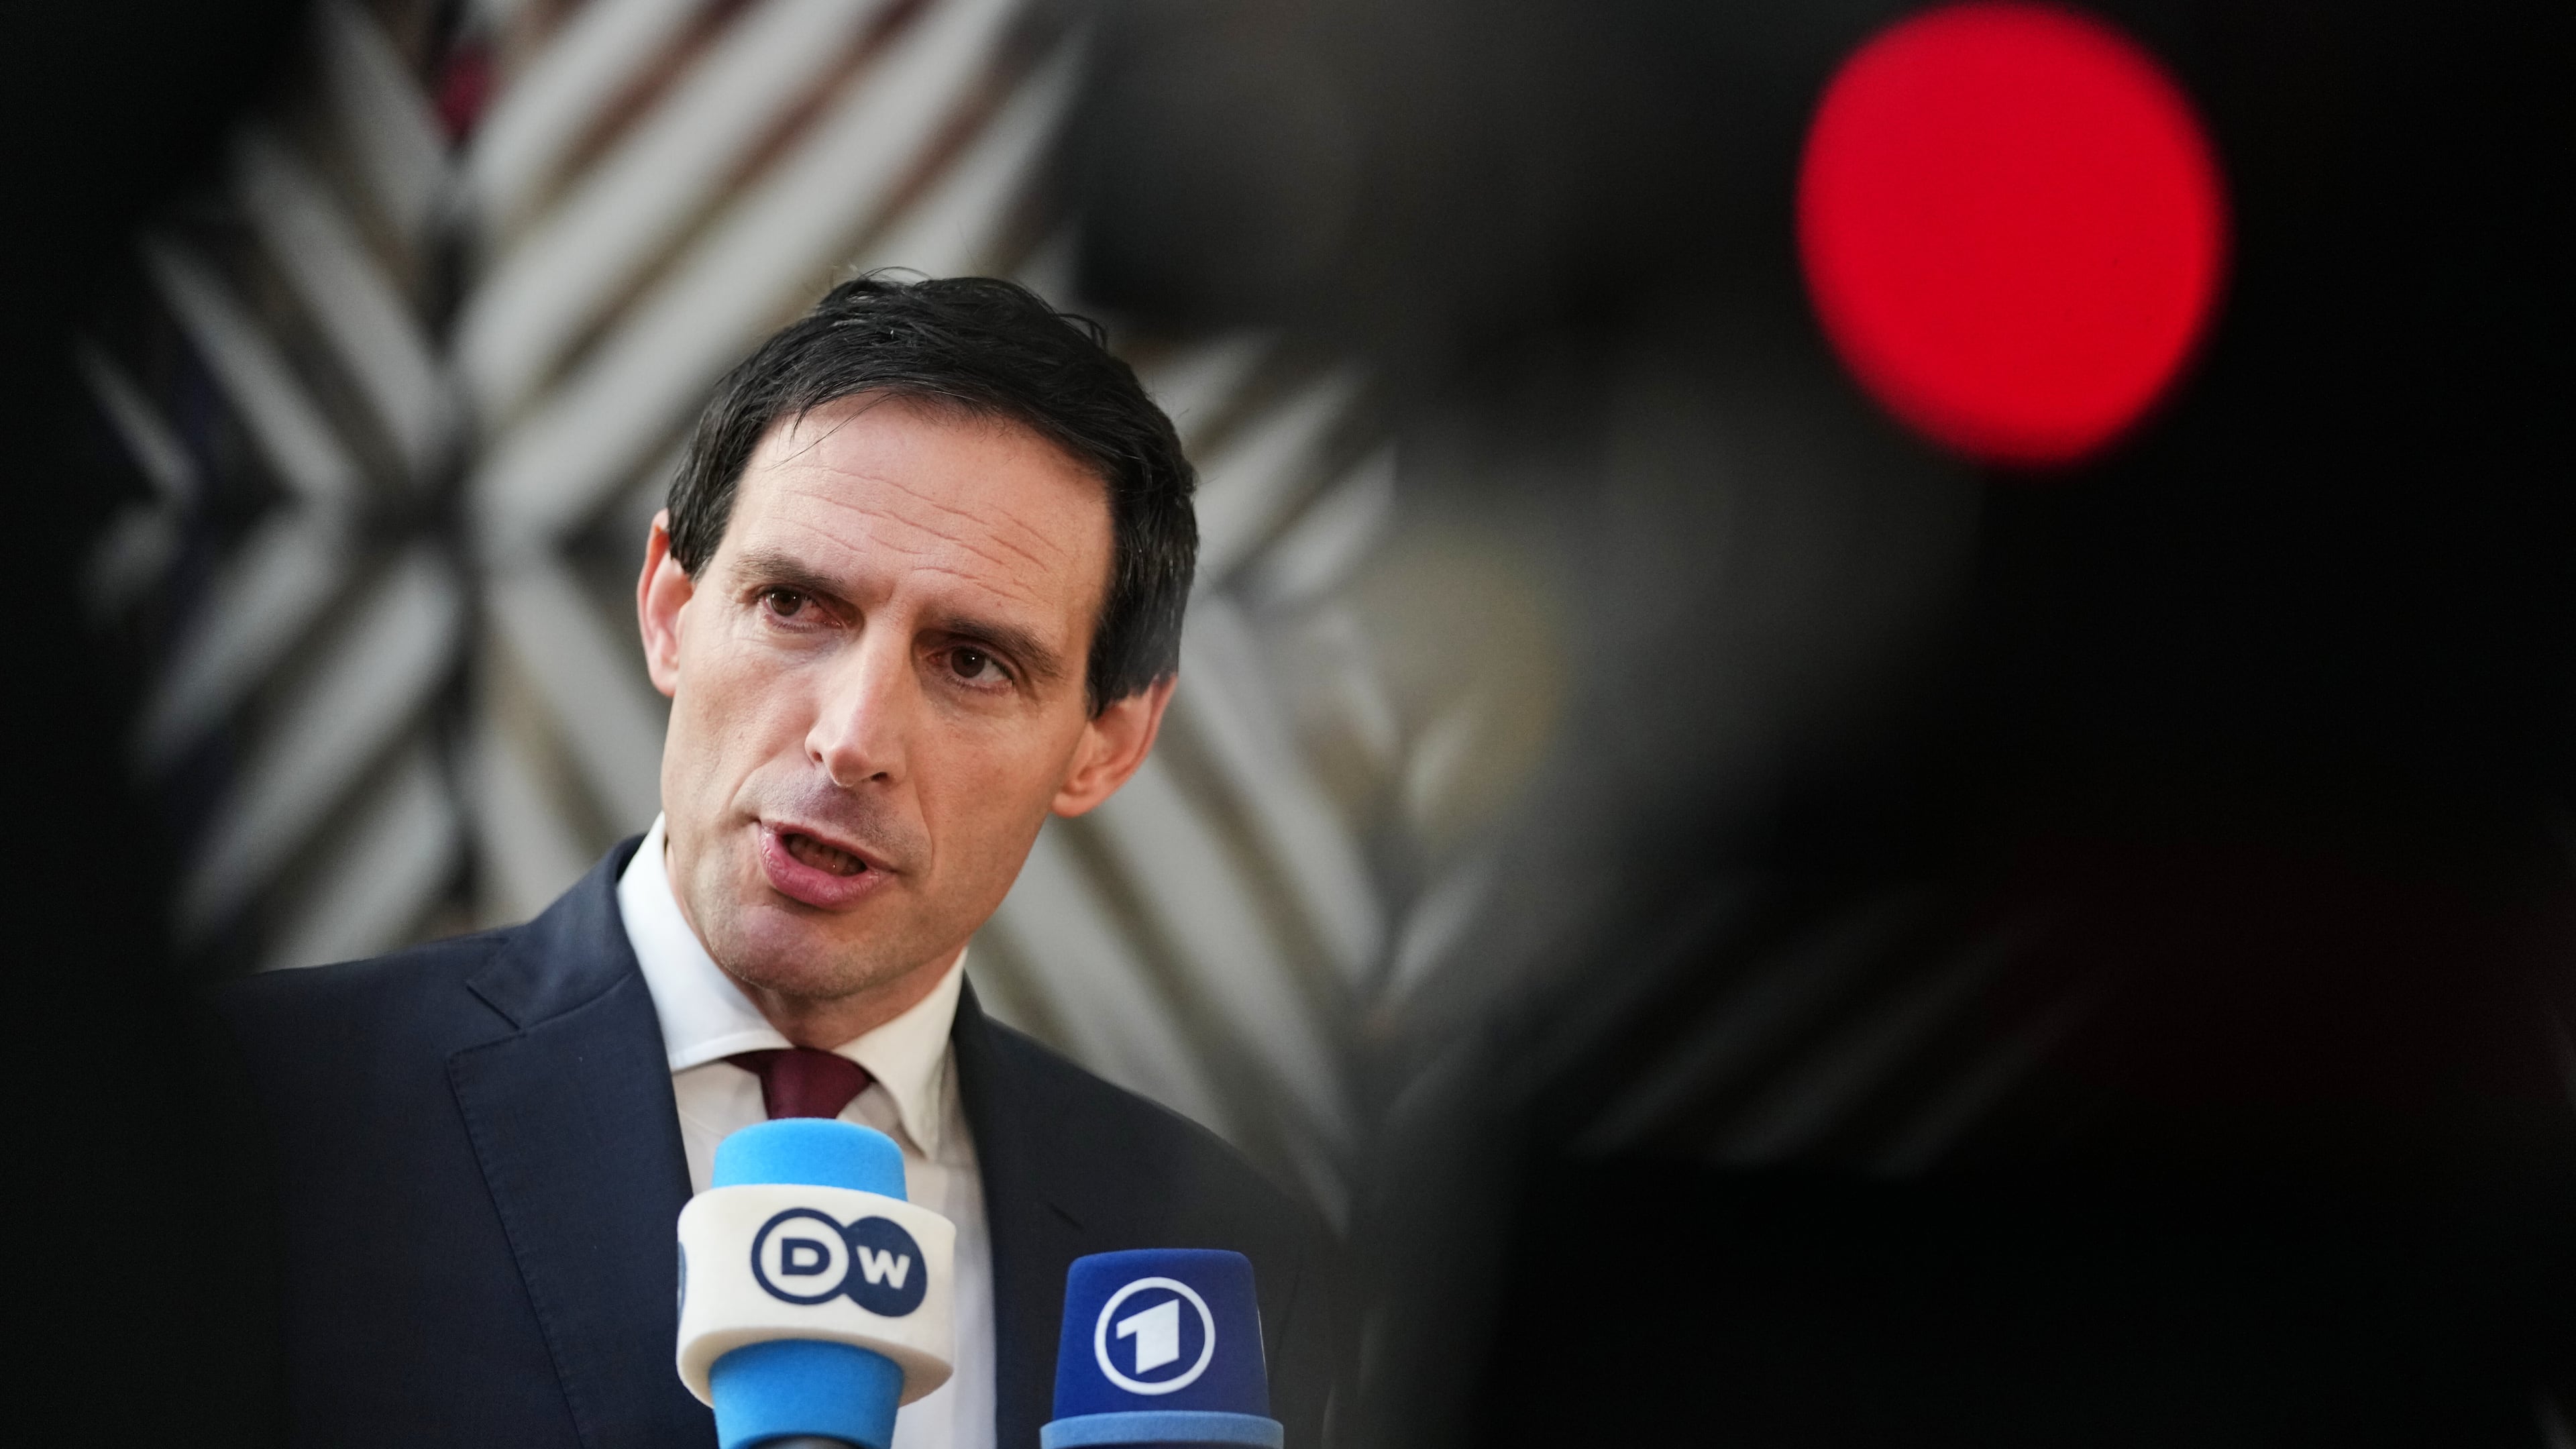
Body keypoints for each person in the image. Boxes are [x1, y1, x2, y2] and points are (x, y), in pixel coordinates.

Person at [213, 275, 1334, 1449]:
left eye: (971, 663)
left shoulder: (1233, 1261)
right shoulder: (264, 1112)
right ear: (670, 609)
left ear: (1107, 744)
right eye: (795, 604)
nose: (852, 740)